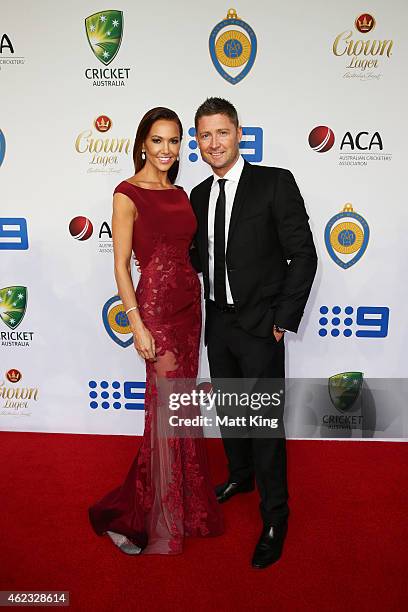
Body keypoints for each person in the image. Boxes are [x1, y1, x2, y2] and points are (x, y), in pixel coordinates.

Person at [88, 107, 224, 555]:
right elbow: (121, 265)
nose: (166, 150)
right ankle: (151, 514)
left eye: (174, 141)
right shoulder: (127, 193)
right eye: (158, 140)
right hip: (157, 313)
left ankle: (185, 506)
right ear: (143, 143)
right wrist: (136, 323)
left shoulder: (182, 192)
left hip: (190, 308)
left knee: (180, 407)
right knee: (165, 410)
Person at [189, 97, 317, 568]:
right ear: (196, 142)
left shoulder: (274, 183)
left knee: (264, 426)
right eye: (204, 135)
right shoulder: (199, 194)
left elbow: (303, 255)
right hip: (218, 323)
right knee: (230, 412)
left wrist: (281, 320)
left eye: (221, 132)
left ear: (238, 133)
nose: (214, 143)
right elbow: (196, 257)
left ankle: (275, 516)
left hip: (262, 328)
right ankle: (240, 476)